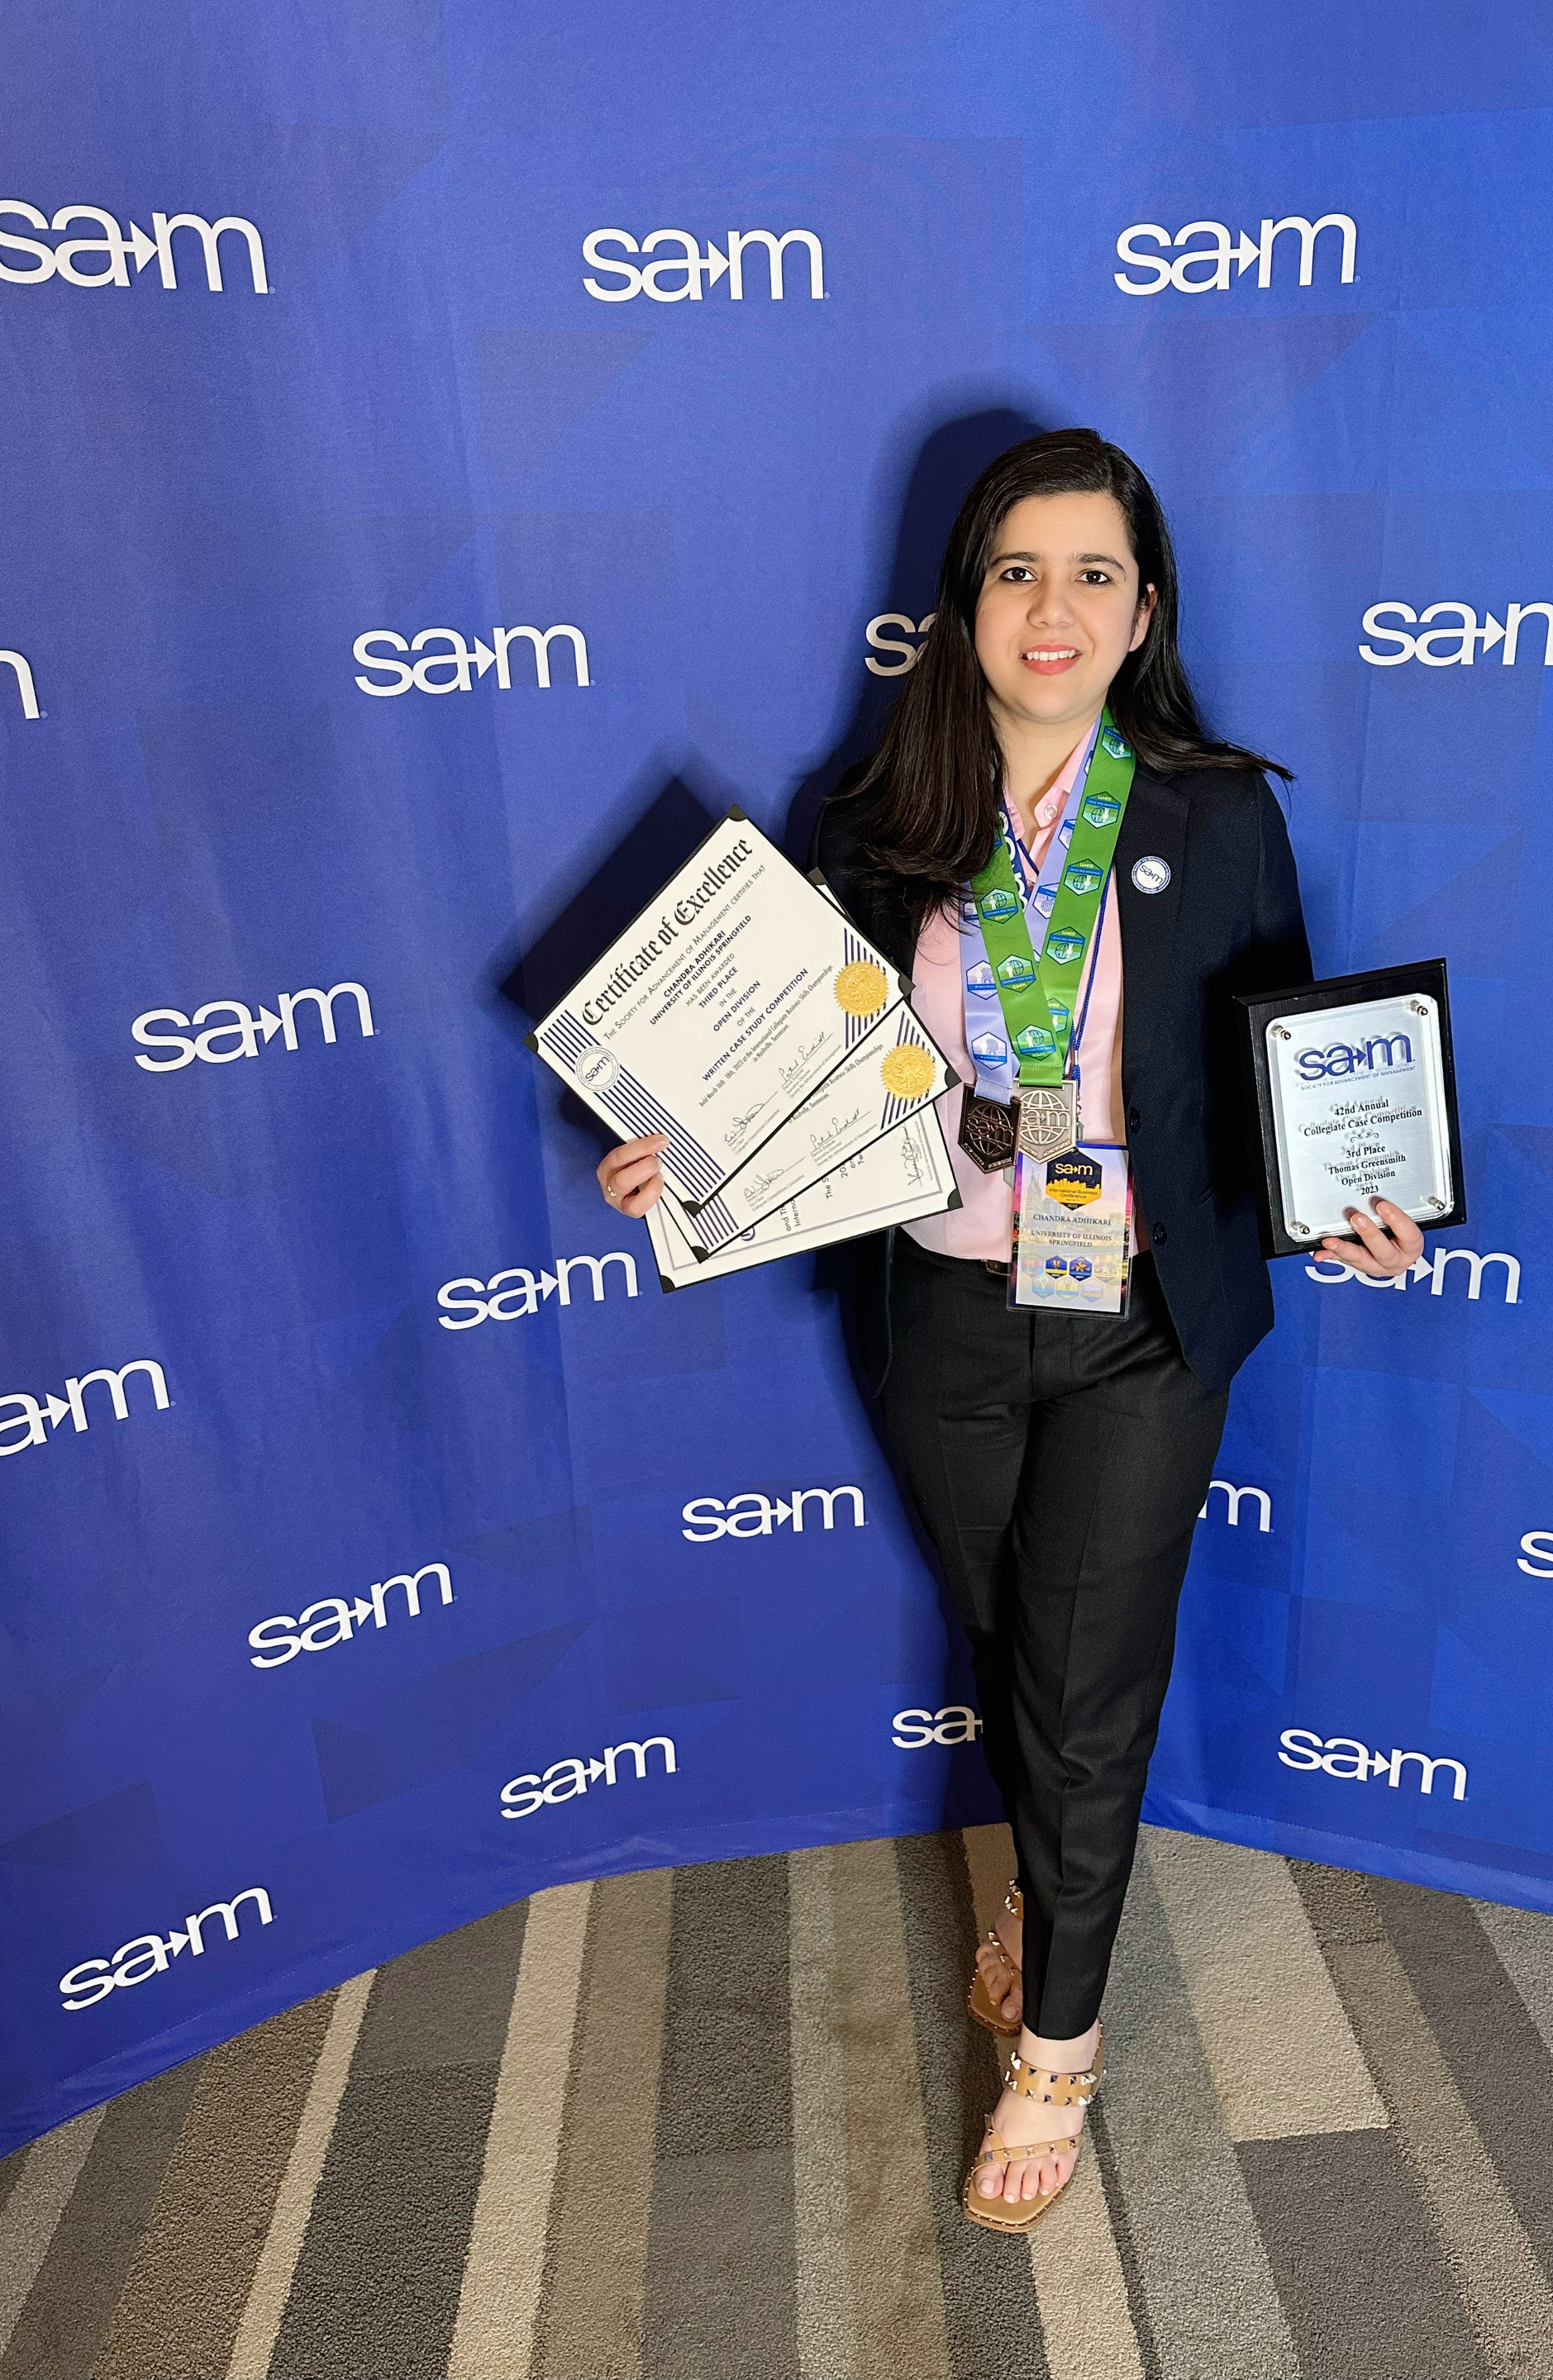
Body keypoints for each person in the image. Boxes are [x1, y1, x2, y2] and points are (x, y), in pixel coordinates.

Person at [596, 428, 1423, 2232]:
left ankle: (1059, 2038)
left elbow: (1285, 1054)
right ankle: (1050, 1892)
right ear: (967, 603)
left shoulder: (1219, 812)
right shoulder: (873, 819)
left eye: (1094, 575)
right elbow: (799, 1080)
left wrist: (1357, 1200)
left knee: (1089, 1694)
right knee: (1017, 1641)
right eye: (1019, 573)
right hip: (943, 1312)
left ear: (1146, 613)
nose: (1054, 610)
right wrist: (684, 1153)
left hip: (1144, 1321)